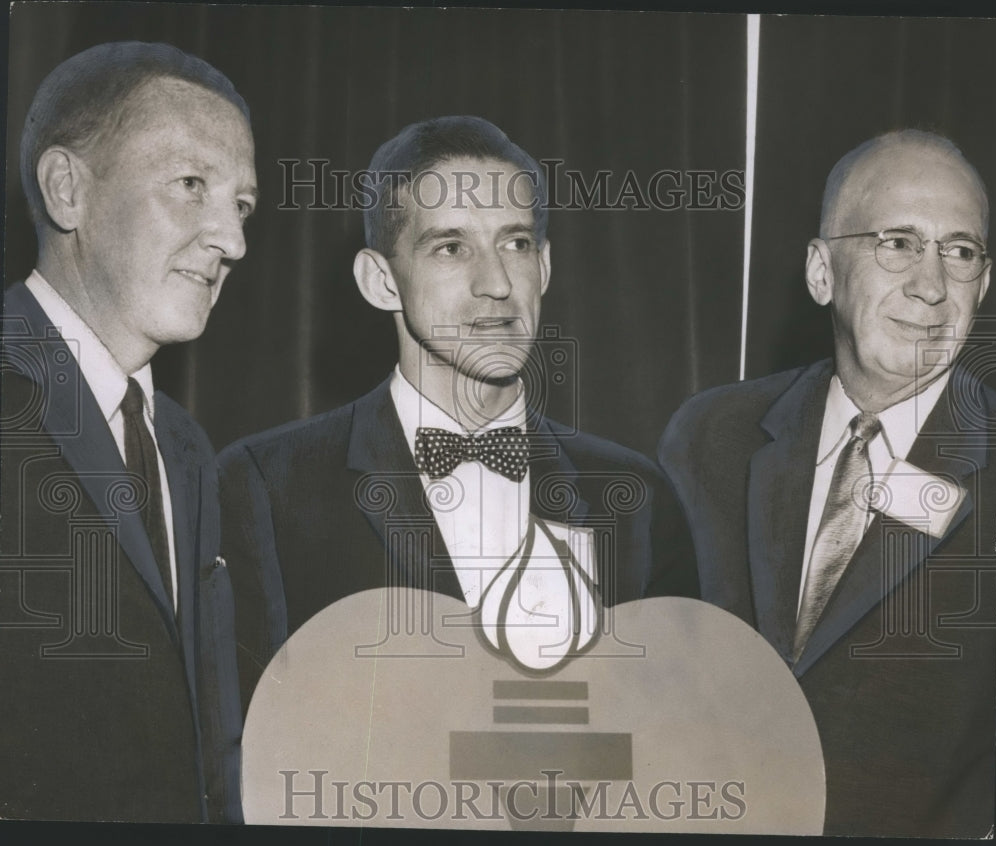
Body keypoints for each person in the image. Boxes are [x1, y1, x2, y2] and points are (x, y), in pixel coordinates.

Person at [220, 115, 698, 709]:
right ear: (380, 282)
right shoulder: (266, 486)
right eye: (451, 247)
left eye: (516, 244)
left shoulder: (637, 497)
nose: (496, 283)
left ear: (544, 268)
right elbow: (245, 747)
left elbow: (674, 738)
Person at [658, 129, 996, 838]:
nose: (932, 285)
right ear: (822, 272)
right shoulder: (711, 434)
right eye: (898, 243)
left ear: (984, 283)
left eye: (959, 252)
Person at [0, 41, 257, 822]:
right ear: (68, 190)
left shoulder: (185, 447)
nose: (233, 242)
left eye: (242, 205)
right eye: (191, 186)